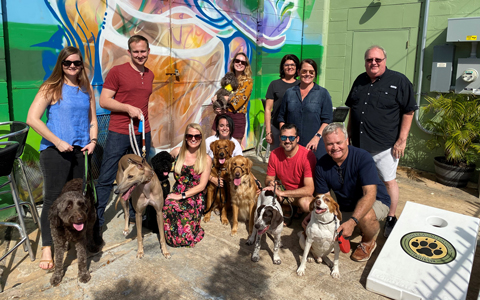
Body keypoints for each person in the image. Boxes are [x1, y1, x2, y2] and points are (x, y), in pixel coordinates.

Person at [26, 46, 97, 270]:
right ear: (61, 64)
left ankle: (77, 239)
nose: (73, 67)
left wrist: (93, 141)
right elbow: (32, 118)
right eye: (68, 63)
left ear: (81, 65)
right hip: (55, 152)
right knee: (53, 200)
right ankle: (47, 246)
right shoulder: (51, 87)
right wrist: (57, 141)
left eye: (77, 63)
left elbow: (92, 120)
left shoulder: (86, 88)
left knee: (77, 199)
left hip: (79, 152)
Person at [345, 45, 418, 237]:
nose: (373, 63)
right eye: (369, 60)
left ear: (385, 60)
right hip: (359, 145)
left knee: (388, 182)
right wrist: (348, 132)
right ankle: (364, 212)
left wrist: (402, 140)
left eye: (377, 59)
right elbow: (353, 108)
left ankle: (391, 217)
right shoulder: (360, 80)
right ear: (365, 62)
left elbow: (408, 111)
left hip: (385, 146)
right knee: (362, 181)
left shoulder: (399, 81)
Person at [95, 35, 154, 240]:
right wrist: (127, 108)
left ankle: (140, 215)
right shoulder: (117, 72)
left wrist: (144, 128)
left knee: (142, 176)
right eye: (135, 51)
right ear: (129, 52)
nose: (140, 55)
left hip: (142, 132)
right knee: (106, 177)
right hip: (119, 132)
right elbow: (104, 100)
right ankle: (97, 223)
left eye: (143, 51)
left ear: (148, 51)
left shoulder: (150, 74)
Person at [308, 123, 391, 262]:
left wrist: (352, 222)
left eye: (338, 142)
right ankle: (357, 224)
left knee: (365, 217)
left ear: (347, 140)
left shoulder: (362, 157)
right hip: (347, 205)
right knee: (316, 224)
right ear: (324, 143)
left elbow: (370, 194)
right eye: (329, 144)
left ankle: (368, 241)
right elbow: (325, 198)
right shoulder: (322, 165)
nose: (335, 147)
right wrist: (313, 215)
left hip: (376, 199)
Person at [163, 123, 212, 247]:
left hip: (194, 196)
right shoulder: (177, 152)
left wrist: (181, 196)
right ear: (185, 137)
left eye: (197, 136)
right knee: (169, 206)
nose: (193, 139)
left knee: (184, 238)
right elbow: (162, 163)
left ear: (201, 138)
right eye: (190, 136)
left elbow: (202, 186)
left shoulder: (206, 159)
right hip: (177, 191)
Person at [278, 59, 333, 160]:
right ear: (298, 72)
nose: (307, 74)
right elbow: (281, 117)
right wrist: (285, 137)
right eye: (304, 71)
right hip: (292, 145)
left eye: (311, 72)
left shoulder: (322, 93)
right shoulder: (289, 92)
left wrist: (316, 137)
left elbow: (327, 120)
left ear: (315, 74)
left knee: (313, 174)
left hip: (314, 146)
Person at [264, 123, 317, 220]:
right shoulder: (274, 154)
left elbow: (309, 189)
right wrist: (270, 183)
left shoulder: (307, 156)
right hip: (283, 191)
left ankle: (295, 209)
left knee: (306, 204)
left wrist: (282, 193)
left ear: (297, 139)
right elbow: (268, 178)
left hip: (299, 195)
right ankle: (287, 208)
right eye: (284, 137)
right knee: (265, 194)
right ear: (280, 138)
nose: (287, 141)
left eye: (291, 138)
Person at [212, 52, 253, 144]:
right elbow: (221, 93)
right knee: (215, 147)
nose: (240, 64)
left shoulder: (248, 82)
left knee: (233, 150)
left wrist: (219, 97)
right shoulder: (228, 77)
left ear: (246, 66)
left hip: (237, 117)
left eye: (243, 62)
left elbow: (237, 101)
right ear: (233, 62)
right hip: (221, 115)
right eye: (237, 61)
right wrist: (216, 107)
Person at [264, 54, 300, 151]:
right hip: (276, 129)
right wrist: (268, 132)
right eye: (286, 65)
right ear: (282, 67)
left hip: (296, 130)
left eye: (293, 64)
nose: (290, 67)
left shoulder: (300, 85)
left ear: (297, 67)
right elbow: (267, 109)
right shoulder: (274, 84)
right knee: (277, 159)